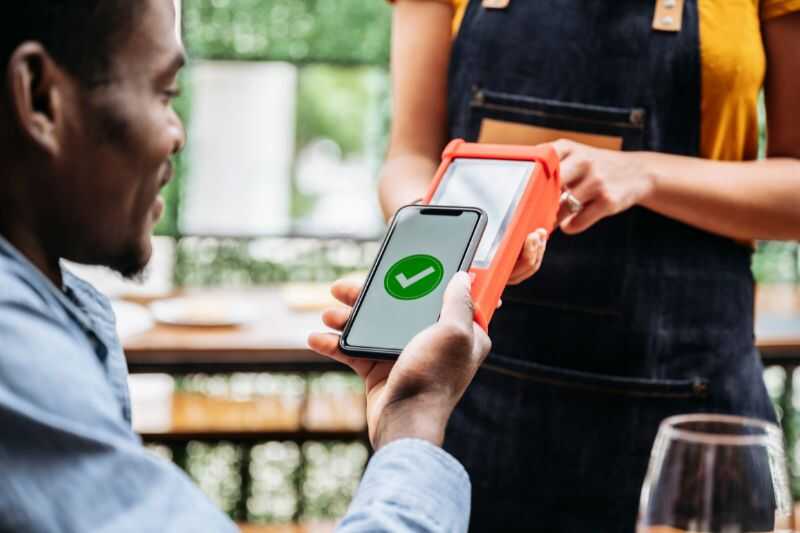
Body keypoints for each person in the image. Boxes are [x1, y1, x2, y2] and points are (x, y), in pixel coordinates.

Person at [0, 1, 546, 531]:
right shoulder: (16, 354)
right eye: (164, 93)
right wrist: (416, 418)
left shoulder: (49, 312)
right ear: (41, 97)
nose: (177, 133)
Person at [380, 0, 800, 531]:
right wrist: (450, 248)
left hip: (689, 416)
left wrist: (644, 173)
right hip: (468, 397)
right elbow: (408, 158)